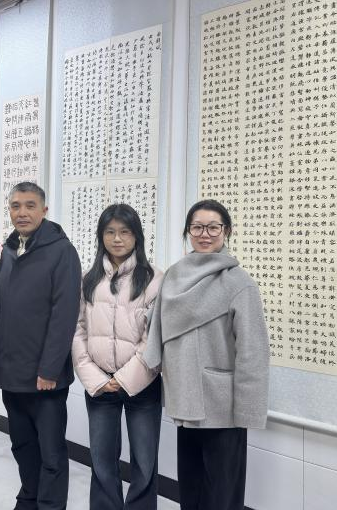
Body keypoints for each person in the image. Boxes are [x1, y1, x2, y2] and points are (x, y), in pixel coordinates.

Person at [143, 199, 270, 510]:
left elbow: (253, 351)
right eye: (197, 227)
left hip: (222, 406)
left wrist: (247, 410)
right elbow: (158, 327)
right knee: (192, 488)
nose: (205, 234)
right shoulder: (174, 275)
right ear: (188, 231)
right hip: (184, 399)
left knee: (222, 493)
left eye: (213, 227)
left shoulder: (238, 282)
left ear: (226, 231)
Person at [0, 182, 81, 510]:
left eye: (30, 206)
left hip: (45, 376)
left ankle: (50, 505)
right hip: (12, 373)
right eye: (15, 206)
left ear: (44, 210)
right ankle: (29, 498)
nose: (22, 212)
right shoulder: (8, 251)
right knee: (22, 445)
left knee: (51, 453)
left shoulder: (62, 251)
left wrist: (50, 369)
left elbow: (64, 314)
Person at [72, 204, 164, 510]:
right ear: (101, 236)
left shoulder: (154, 279)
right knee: (101, 460)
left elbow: (154, 338)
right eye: (110, 232)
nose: (117, 239)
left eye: (125, 232)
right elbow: (77, 330)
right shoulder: (88, 279)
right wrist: (96, 378)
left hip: (142, 384)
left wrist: (124, 379)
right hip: (100, 385)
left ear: (137, 236)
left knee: (145, 461)